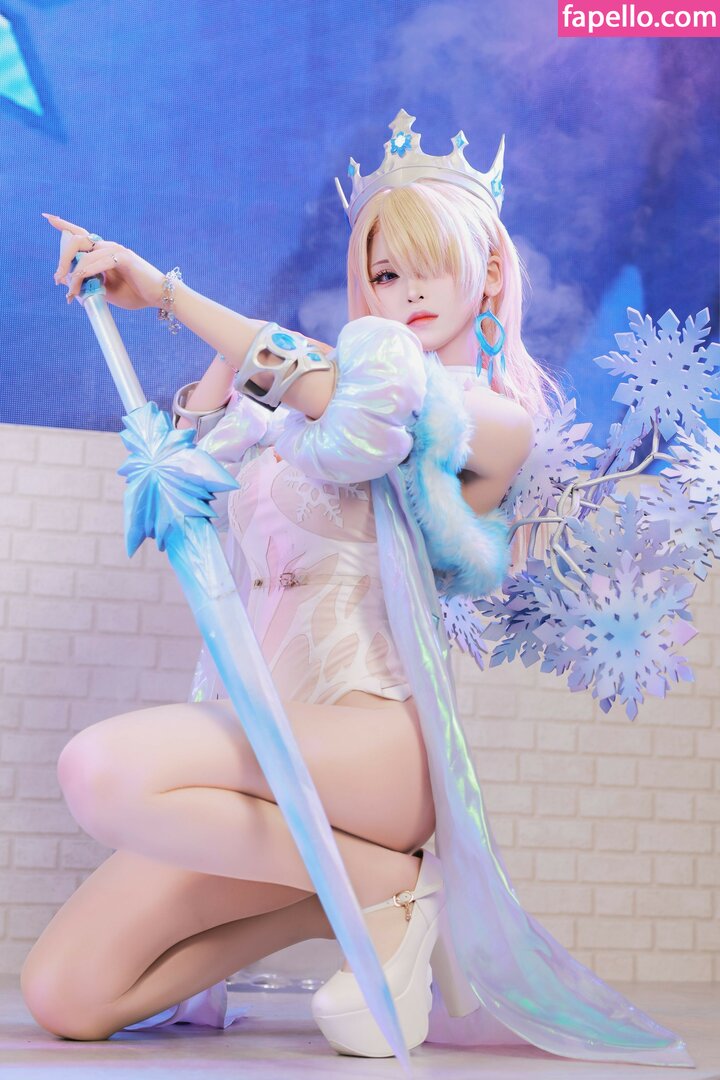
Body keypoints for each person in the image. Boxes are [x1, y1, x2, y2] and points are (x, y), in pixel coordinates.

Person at [22, 111, 692, 1067]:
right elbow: (207, 474)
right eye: (383, 274)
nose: (406, 292)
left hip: (373, 742)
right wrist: (208, 392)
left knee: (102, 770)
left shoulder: (488, 420)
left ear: (487, 273)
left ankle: (381, 879)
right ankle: (367, 891)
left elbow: (344, 398)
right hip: (266, 737)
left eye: (431, 267)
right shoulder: (305, 397)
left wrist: (165, 293)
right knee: (68, 995)